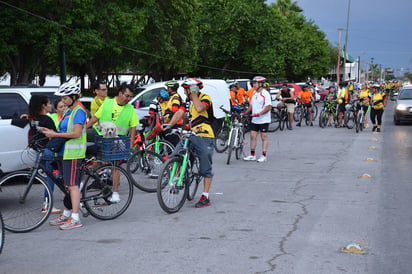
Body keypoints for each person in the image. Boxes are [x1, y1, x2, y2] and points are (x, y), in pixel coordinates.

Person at [40, 79, 87, 230]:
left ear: (74, 97)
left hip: (74, 154)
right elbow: (62, 131)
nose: (63, 101)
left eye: (65, 98)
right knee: (68, 185)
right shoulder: (68, 111)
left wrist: (56, 135)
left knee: (73, 186)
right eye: (62, 98)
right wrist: (52, 134)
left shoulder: (79, 111)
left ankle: (75, 217)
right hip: (65, 153)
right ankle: (67, 214)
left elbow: (77, 133)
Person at [87, 83, 139, 203]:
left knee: (115, 166)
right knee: (96, 161)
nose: (129, 99)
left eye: (130, 96)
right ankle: (92, 182)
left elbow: (133, 127)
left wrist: (131, 143)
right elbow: (95, 118)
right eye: (127, 96)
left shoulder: (130, 109)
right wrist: (83, 129)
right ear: (120, 93)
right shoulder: (107, 103)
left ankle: (115, 192)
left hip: (118, 140)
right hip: (103, 138)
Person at [167, 78, 215, 208]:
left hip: (205, 135)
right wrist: (169, 125)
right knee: (174, 156)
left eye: (186, 89)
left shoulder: (205, 98)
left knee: (205, 167)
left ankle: (205, 196)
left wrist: (194, 94)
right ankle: (178, 179)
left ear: (192, 89)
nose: (184, 92)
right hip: (191, 135)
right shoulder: (187, 101)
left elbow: (200, 108)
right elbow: (179, 113)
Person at [27, 95, 62, 215]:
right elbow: (54, 136)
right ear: (43, 106)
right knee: (51, 179)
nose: (50, 106)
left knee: (50, 177)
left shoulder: (33, 119)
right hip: (48, 151)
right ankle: (47, 205)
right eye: (48, 103)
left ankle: (48, 203)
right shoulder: (47, 120)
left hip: (38, 151)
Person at [243, 76, 272, 162]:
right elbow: (251, 106)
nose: (253, 85)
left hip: (263, 119)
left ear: (260, 84)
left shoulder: (265, 94)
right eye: (253, 83)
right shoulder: (254, 93)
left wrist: (259, 114)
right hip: (254, 119)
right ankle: (252, 155)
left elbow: (269, 107)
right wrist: (245, 113)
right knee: (252, 136)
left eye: (255, 83)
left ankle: (263, 155)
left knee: (264, 137)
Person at [163, 80, 185, 146]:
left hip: (174, 124)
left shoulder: (175, 97)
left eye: (168, 88)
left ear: (170, 88)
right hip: (172, 123)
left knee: (173, 144)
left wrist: (167, 121)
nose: (167, 89)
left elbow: (174, 112)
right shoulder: (173, 97)